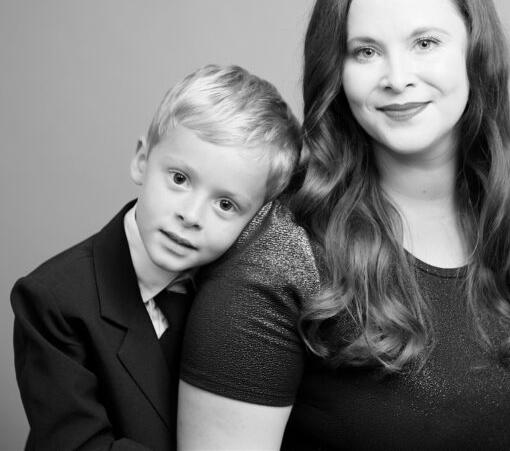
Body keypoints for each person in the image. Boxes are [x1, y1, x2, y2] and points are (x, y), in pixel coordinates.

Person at [178, 0, 510, 451]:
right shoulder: (278, 253)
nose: (397, 77)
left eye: (425, 43)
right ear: (338, 70)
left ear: (474, 51)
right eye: (366, 51)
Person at [11, 64, 301, 451]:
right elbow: (78, 445)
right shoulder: (54, 300)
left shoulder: (247, 298)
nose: (191, 215)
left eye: (226, 204)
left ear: (258, 218)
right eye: (180, 179)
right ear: (142, 160)